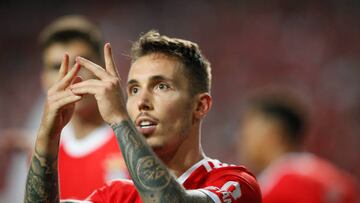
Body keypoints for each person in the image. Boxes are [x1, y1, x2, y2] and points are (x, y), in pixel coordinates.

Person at [24, 30, 262, 203]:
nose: (141, 103)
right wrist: (48, 136)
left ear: (200, 106)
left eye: (161, 86)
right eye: (134, 90)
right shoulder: (118, 196)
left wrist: (119, 119)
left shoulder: (235, 184)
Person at [37, 15, 129, 200]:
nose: (70, 76)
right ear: (44, 79)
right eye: (57, 67)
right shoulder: (43, 152)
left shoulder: (135, 144)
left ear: (102, 68)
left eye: (81, 64)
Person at [236, 92, 359, 203]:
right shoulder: (339, 180)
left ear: (273, 133)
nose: (241, 140)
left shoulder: (276, 189)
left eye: (248, 133)